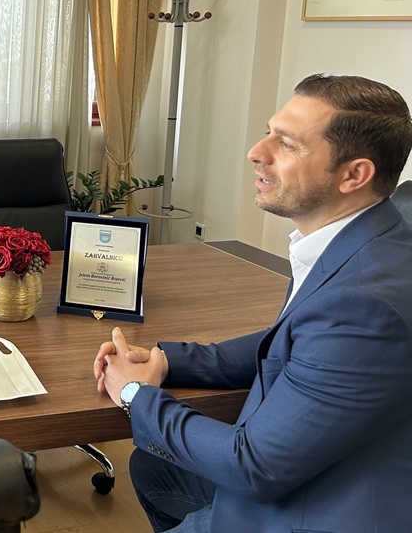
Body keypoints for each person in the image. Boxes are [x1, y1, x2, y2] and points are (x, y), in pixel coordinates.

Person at [92, 73, 412, 533]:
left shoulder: (364, 304)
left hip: (308, 509)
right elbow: (293, 341)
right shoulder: (367, 241)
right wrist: (169, 360)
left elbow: (252, 466)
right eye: (269, 132)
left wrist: (134, 393)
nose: (256, 152)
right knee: (154, 466)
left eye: (287, 144)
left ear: (354, 175)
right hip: (312, 468)